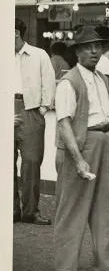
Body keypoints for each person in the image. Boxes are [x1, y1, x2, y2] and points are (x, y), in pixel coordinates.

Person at [52, 27, 109, 271]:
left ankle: (106, 266)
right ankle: (65, 268)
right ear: (77, 51)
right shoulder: (69, 82)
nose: (94, 51)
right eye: (88, 47)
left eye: (98, 46)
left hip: (103, 141)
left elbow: (96, 111)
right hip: (82, 143)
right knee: (72, 208)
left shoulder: (100, 77)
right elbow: (64, 123)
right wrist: (78, 159)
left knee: (105, 207)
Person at [14, 18, 56, 226]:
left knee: (31, 162)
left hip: (31, 110)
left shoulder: (39, 55)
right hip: (6, 108)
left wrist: (42, 109)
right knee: (5, 164)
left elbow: (49, 83)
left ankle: (30, 211)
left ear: (15, 33)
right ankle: (10, 209)